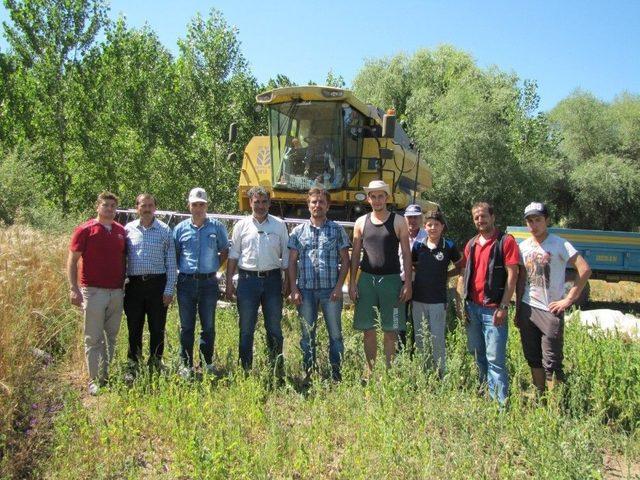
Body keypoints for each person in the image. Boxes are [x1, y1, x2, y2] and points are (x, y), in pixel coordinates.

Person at [515, 202, 591, 393]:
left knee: (552, 361)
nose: (534, 224)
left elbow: (584, 269)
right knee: (532, 357)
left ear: (547, 220)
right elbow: (521, 279)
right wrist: (517, 309)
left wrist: (569, 299)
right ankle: (540, 397)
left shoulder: (560, 243)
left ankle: (555, 408)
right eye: (530, 221)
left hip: (550, 310)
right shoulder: (523, 247)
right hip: (527, 307)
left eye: (538, 220)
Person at [349, 180, 412, 376]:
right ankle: (370, 371)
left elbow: (407, 254)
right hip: (367, 280)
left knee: (391, 329)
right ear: (368, 199)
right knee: (368, 330)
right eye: (373, 196)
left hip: (392, 281)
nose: (377, 200)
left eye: (380, 196)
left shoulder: (399, 221)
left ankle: (388, 372)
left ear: (387, 197)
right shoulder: (361, 222)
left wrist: (407, 283)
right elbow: (355, 255)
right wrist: (352, 282)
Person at [288, 187, 351, 381]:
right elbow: (291, 262)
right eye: (314, 202)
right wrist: (293, 288)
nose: (317, 205)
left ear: (328, 205)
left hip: (330, 291)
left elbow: (345, 260)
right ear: (308, 205)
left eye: (321, 202)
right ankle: (308, 374)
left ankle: (336, 374)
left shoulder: (337, 230)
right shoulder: (298, 232)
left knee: (335, 335)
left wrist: (339, 287)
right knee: (307, 336)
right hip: (305, 291)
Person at [460, 202, 519, 404]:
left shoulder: (505, 242)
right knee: (477, 355)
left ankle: (500, 404)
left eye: (484, 216)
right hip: (472, 308)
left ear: (492, 217)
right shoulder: (471, 244)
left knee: (495, 359)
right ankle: (485, 395)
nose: (480, 220)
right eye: (476, 217)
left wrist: (504, 306)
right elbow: (464, 274)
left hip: (493, 310)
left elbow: (513, 276)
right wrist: (463, 303)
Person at [226, 187, 290, 375]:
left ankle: (276, 369)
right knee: (246, 328)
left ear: (269, 203)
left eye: (264, 202)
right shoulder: (241, 226)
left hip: (272, 281)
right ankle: (245, 369)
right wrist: (229, 282)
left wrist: (287, 281)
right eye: (256, 202)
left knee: (274, 327)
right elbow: (233, 255)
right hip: (247, 281)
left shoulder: (279, 225)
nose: (260, 206)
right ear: (250, 203)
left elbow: (286, 256)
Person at [67, 191, 126, 395]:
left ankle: (106, 375)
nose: (109, 209)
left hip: (116, 292)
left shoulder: (120, 231)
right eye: (105, 205)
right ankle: (94, 379)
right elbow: (73, 260)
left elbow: (124, 259)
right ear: (97, 207)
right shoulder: (85, 230)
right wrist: (74, 288)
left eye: (112, 206)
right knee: (93, 337)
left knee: (111, 335)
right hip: (93, 291)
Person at [173, 187, 229, 378]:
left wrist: (215, 269)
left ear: (206, 205)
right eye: (195, 204)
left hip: (208, 283)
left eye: (202, 204)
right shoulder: (180, 229)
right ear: (189, 206)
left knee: (208, 326)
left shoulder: (217, 227)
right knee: (187, 326)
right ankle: (186, 365)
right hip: (186, 283)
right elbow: (175, 254)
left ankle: (207, 363)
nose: (198, 208)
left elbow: (225, 251)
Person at [123, 193, 177, 375]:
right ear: (136, 207)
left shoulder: (165, 230)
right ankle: (133, 364)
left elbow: (171, 263)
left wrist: (169, 290)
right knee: (134, 326)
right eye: (143, 205)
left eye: (150, 205)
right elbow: (122, 259)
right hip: (134, 286)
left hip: (157, 285)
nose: (146, 209)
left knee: (157, 327)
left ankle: (155, 362)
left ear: (155, 207)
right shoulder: (128, 230)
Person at [411, 210, 462, 376]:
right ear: (424, 227)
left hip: (438, 300)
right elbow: (413, 265)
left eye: (436, 225)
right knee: (420, 337)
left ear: (442, 227)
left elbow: (461, 266)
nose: (433, 228)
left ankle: (440, 373)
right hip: (418, 298)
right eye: (429, 224)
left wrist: (447, 275)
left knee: (437, 338)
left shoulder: (449, 246)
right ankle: (423, 373)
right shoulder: (418, 246)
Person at [397, 204, 427, 350]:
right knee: (399, 319)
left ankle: (417, 352)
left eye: (415, 217)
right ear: (405, 218)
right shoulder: (398, 235)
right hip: (400, 281)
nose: (412, 220)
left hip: (420, 283)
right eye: (409, 217)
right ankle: (399, 352)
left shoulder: (427, 236)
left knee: (418, 319)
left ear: (421, 218)